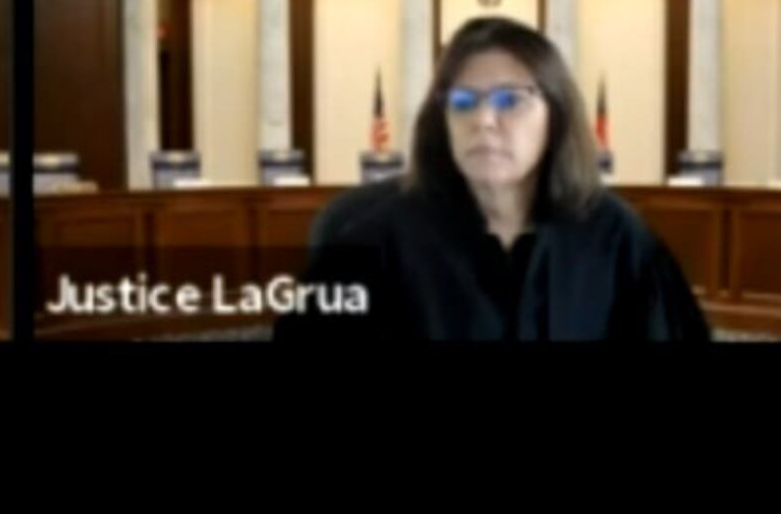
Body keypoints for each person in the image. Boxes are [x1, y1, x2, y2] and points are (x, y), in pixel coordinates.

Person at [277, 17, 709, 342]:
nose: (483, 120)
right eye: (462, 101)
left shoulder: (617, 237)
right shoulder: (371, 240)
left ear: (555, 115)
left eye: (510, 100)